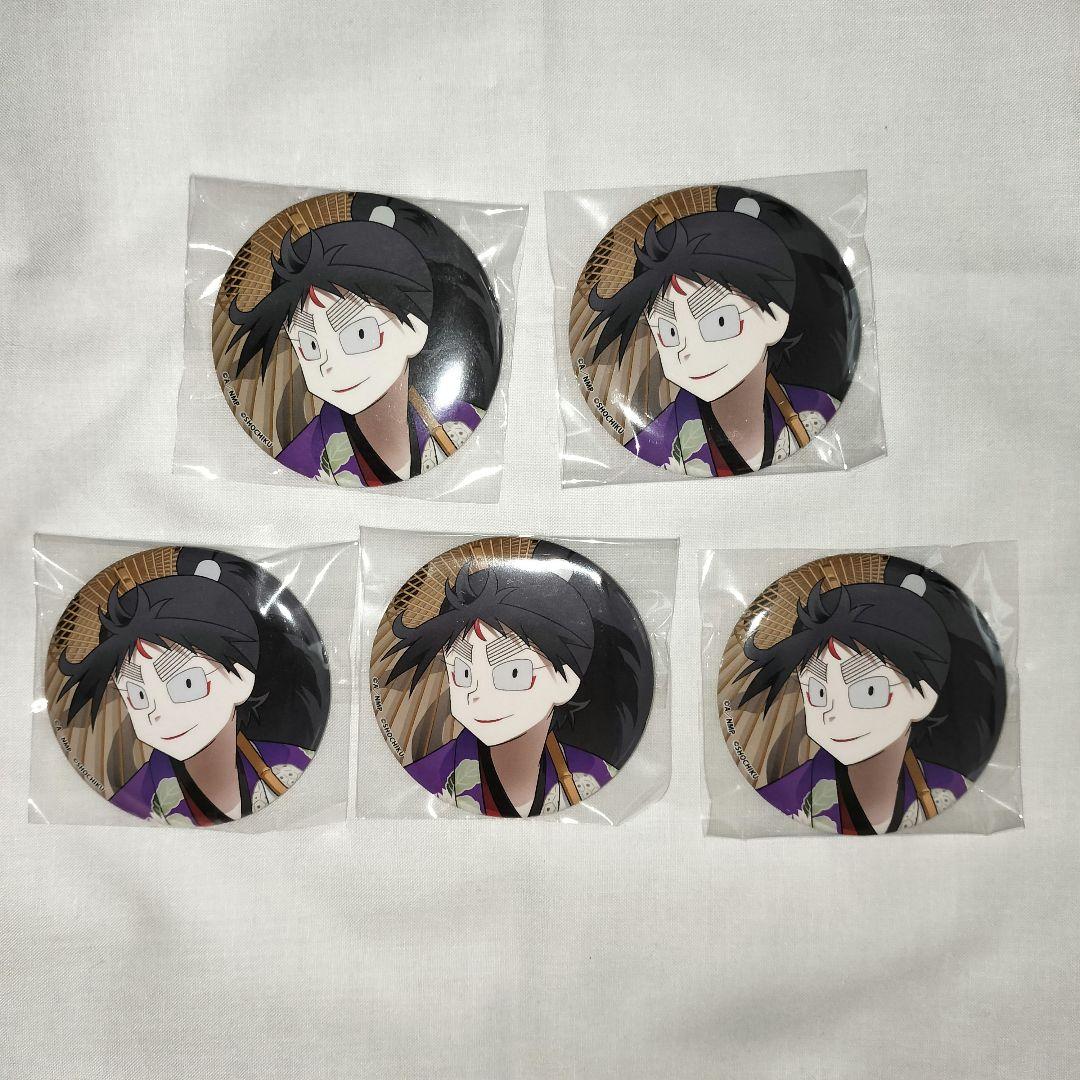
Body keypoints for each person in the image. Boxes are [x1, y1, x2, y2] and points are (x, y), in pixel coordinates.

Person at [227, 194, 500, 485]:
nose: (329, 365)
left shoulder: (465, 423)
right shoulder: (299, 467)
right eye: (310, 346)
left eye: (359, 334)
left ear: (415, 329)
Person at [585, 190, 857, 475]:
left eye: (719, 322)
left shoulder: (818, 411)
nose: (687, 351)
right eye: (669, 332)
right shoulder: (651, 450)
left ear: (775, 317)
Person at [57, 548, 329, 825]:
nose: (158, 713)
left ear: (240, 677)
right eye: (138, 696)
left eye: (186, 684)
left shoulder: (291, 765)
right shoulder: (138, 801)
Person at [736, 559, 1005, 833]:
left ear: (923, 695)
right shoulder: (780, 802)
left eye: (869, 691)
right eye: (818, 692)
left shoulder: (954, 789)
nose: (833, 713)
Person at [384, 547, 652, 816]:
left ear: (566, 680)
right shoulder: (426, 778)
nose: (478, 694)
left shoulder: (595, 776)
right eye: (463, 673)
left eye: (512, 673)